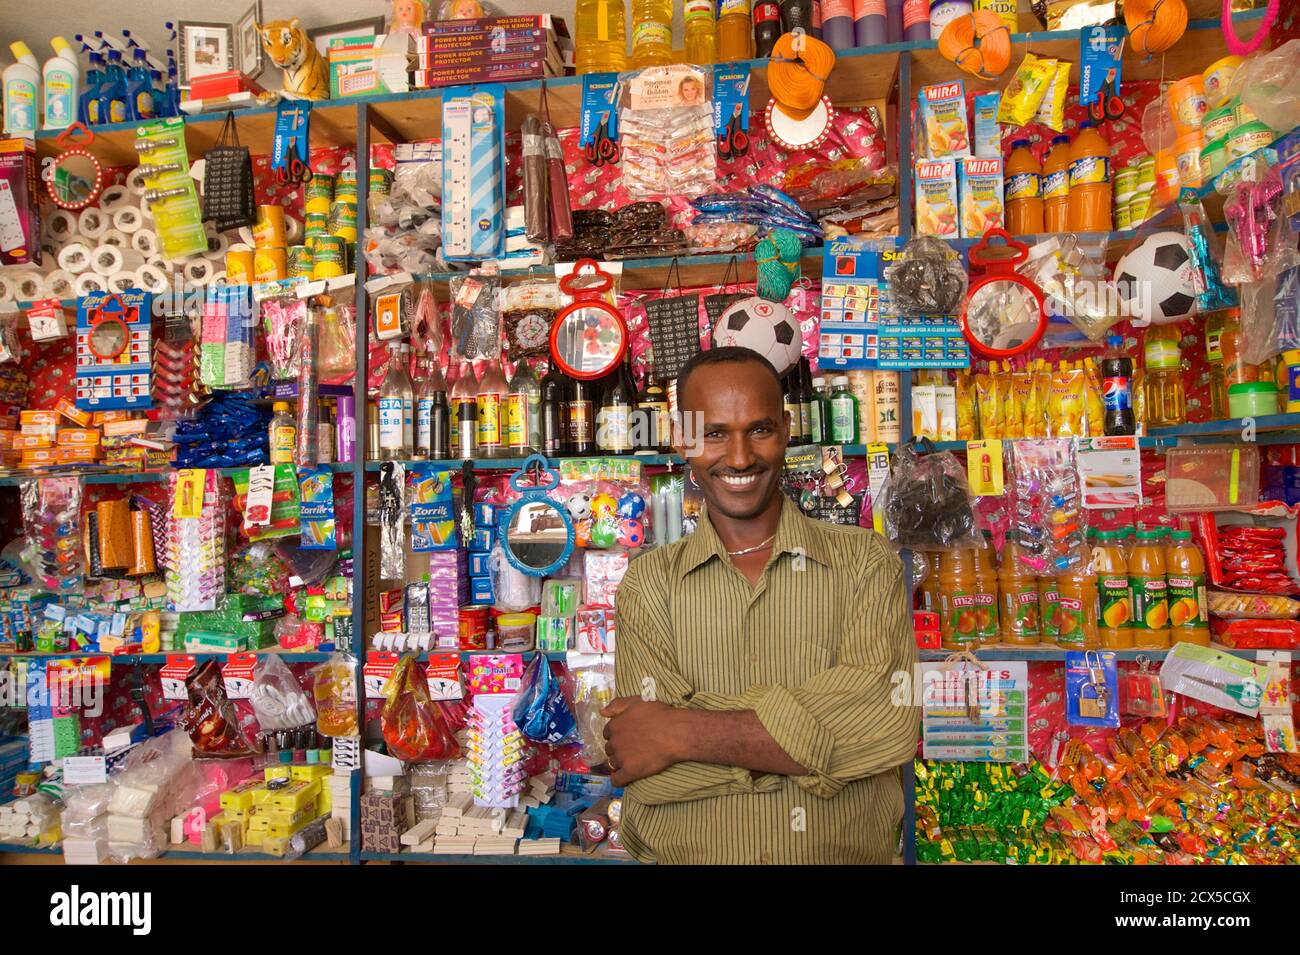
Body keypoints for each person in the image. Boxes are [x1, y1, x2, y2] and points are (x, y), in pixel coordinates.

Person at [604, 346, 918, 864]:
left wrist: (678, 731)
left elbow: (885, 727)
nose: (740, 457)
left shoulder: (866, 564)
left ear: (788, 429)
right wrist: (815, 747)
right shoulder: (649, 584)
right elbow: (647, 769)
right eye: (713, 433)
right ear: (682, 438)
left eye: (759, 429)